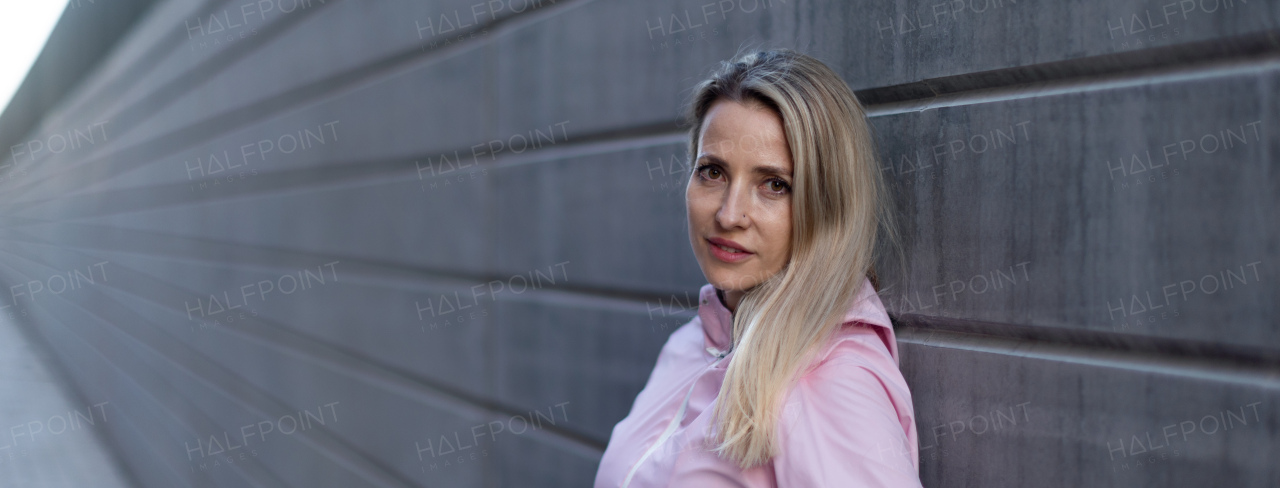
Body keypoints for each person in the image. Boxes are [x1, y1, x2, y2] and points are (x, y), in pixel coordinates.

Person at [594, 49, 923, 487]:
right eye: (712, 172)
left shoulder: (830, 380)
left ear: (828, 205)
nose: (730, 215)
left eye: (774, 184)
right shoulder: (694, 343)